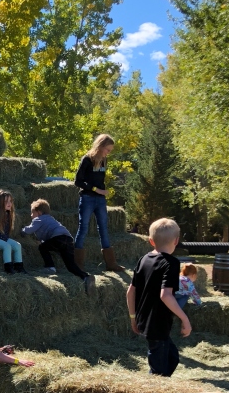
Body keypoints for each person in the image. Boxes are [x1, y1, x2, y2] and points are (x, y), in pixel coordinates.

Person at [126, 218, 192, 377]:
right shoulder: (171, 263)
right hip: (157, 323)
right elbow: (165, 295)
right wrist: (185, 319)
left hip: (144, 320)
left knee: (172, 357)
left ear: (151, 241)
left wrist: (133, 318)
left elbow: (130, 292)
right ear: (176, 241)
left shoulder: (144, 259)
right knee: (158, 371)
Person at [21, 199, 95, 293]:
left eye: (32, 213)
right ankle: (86, 277)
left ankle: (50, 267)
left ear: (38, 212)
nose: (31, 216)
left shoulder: (39, 219)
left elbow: (29, 230)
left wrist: (22, 231)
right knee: (70, 266)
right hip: (68, 239)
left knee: (42, 247)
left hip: (58, 238)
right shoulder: (51, 219)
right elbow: (48, 232)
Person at [74, 134, 123, 272]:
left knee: (103, 229)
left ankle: (111, 263)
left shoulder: (104, 161)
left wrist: (102, 192)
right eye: (107, 149)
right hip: (88, 198)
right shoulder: (87, 159)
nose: (109, 153)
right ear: (101, 146)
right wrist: (96, 189)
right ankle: (78, 264)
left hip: (100, 200)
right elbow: (78, 181)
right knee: (83, 228)